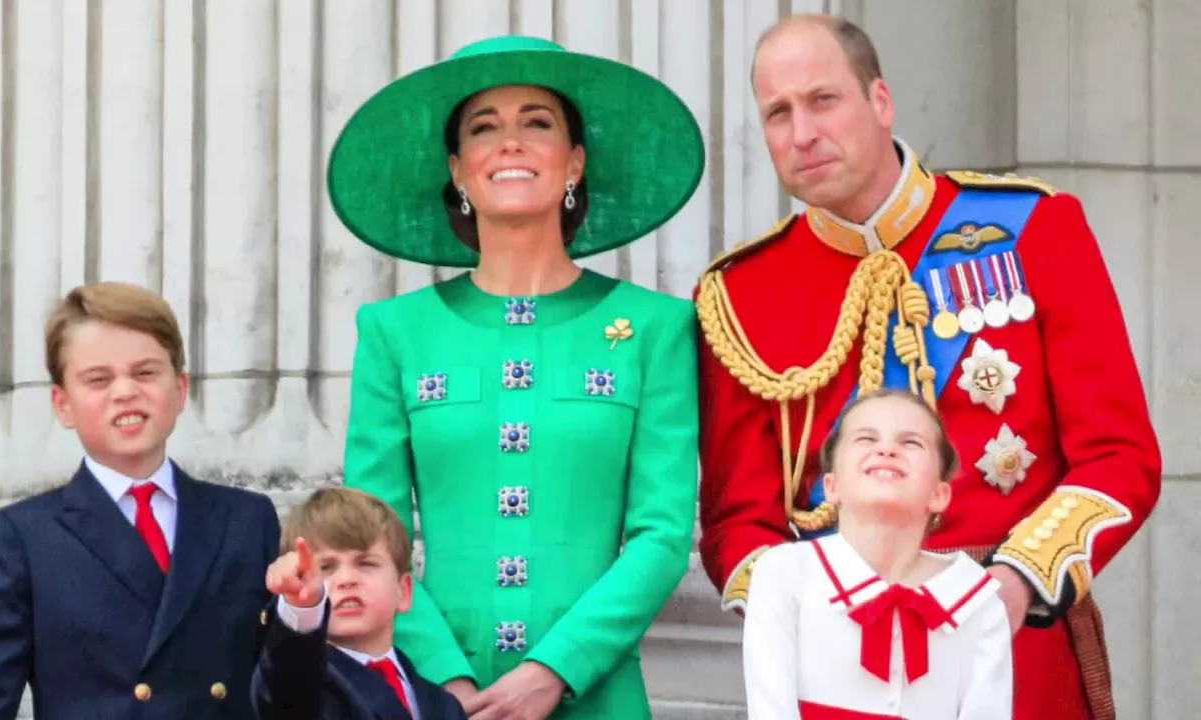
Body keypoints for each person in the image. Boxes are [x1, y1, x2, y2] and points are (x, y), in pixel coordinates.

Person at [695, 14, 1160, 720]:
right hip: (831, 673)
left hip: (1013, 643)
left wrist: (1016, 583)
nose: (801, 133)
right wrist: (809, 611)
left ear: (879, 101)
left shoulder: (1033, 228)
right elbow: (737, 521)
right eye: (777, 113)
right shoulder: (737, 295)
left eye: (824, 100)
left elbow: (1118, 457)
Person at [325, 35, 705, 719]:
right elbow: (369, 534)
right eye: (483, 128)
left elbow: (663, 534)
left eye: (537, 122)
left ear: (575, 162)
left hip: (599, 693)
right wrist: (444, 677)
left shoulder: (656, 328)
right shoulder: (393, 332)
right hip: (439, 697)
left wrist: (557, 668)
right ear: (458, 170)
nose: (510, 143)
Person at [0, 282, 282, 720]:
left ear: (179, 389)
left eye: (144, 373)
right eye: (98, 379)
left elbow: (288, 691)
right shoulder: (24, 537)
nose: (124, 391)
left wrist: (306, 612)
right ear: (62, 404)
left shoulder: (246, 520)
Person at [743, 389, 1012, 719]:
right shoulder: (785, 573)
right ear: (832, 486)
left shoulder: (977, 600)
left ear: (939, 495)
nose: (886, 449)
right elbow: (771, 709)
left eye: (911, 443)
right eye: (865, 439)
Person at [253, 487, 467, 720]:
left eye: (366, 563)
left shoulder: (443, 704)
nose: (347, 579)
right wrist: (301, 607)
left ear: (403, 591)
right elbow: (283, 689)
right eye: (325, 568)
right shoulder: (306, 686)